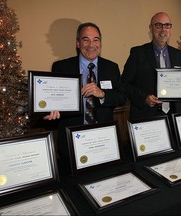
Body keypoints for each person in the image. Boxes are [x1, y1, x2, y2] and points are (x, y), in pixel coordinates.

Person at [43, 22, 126, 173]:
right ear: (78, 43)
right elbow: (53, 100)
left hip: (103, 140)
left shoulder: (111, 67)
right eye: (86, 39)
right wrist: (51, 113)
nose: (91, 45)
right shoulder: (61, 67)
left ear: (100, 43)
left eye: (96, 39)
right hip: (71, 141)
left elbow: (121, 98)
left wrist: (102, 94)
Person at [121, 12, 181, 121]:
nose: (163, 30)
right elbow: (124, 84)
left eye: (167, 25)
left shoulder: (180, 55)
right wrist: (144, 98)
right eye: (158, 25)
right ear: (151, 28)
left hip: (173, 117)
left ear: (170, 29)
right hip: (146, 116)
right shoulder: (138, 53)